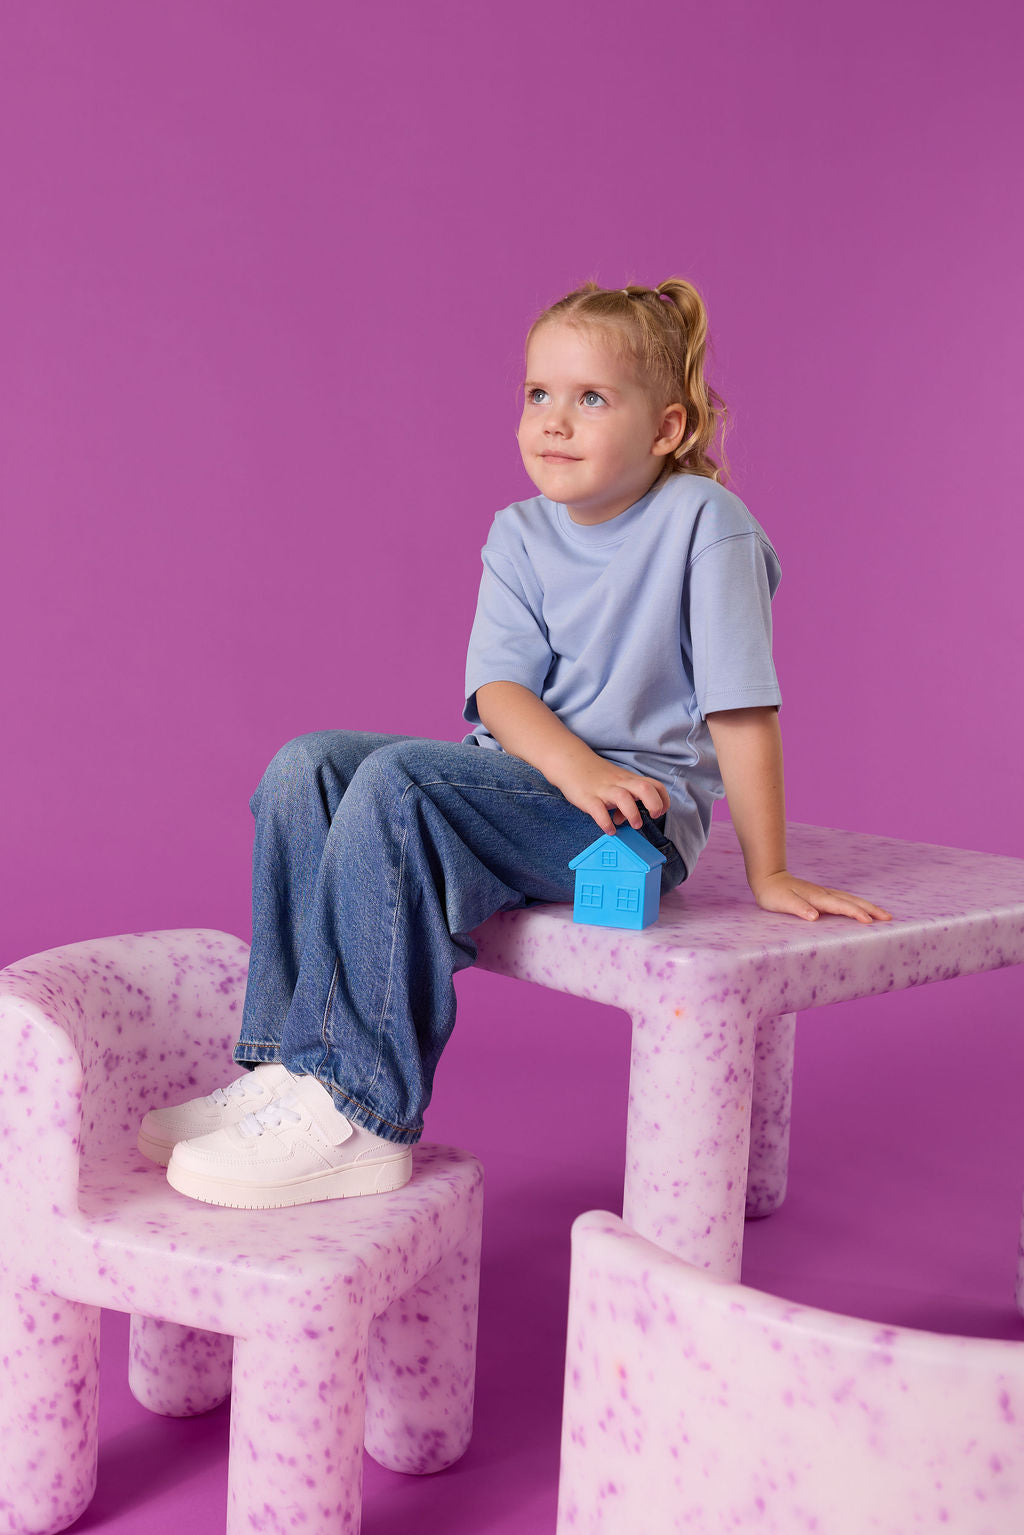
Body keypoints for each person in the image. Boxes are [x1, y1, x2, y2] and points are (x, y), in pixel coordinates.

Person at [138, 277, 892, 1209]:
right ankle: (287, 1070)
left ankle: (360, 1105)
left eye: (591, 399)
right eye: (539, 394)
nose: (555, 421)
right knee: (311, 764)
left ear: (665, 430)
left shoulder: (707, 525)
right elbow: (500, 689)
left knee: (403, 782)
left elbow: (743, 708)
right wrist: (569, 761)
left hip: (629, 819)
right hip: (529, 783)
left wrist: (772, 872)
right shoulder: (520, 533)